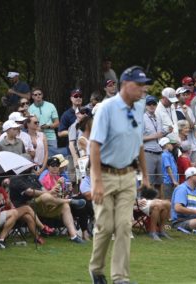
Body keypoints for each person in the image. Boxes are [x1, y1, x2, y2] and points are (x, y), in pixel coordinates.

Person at [88, 66, 151, 284]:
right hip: (104, 175)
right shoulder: (107, 108)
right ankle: (96, 269)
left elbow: (139, 143)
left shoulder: (139, 107)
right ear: (125, 84)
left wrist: (146, 176)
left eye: (144, 85)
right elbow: (94, 146)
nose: (143, 89)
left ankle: (120, 278)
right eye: (139, 85)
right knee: (105, 227)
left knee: (124, 226)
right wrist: (96, 182)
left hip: (128, 176)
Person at [9, 168, 85, 243]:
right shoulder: (16, 179)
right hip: (27, 207)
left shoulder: (33, 177)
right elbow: (29, 192)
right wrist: (49, 192)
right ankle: (70, 201)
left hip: (43, 205)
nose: (31, 167)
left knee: (65, 206)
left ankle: (73, 236)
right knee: (46, 196)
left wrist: (57, 187)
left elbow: (44, 190)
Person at [0, 177, 46, 244]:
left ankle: (37, 237)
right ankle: (43, 228)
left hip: (10, 211)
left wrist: (7, 200)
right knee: (27, 208)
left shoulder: (1, 190)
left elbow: (9, 203)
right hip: (0, 215)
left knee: (27, 216)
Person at [28, 87, 60, 156]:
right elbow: (29, 125)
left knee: (54, 159)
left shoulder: (51, 106)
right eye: (35, 95)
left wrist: (47, 126)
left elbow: (57, 123)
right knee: (40, 158)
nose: (38, 96)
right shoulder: (30, 109)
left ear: (42, 95)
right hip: (37, 137)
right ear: (32, 96)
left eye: (39, 94)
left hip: (51, 136)